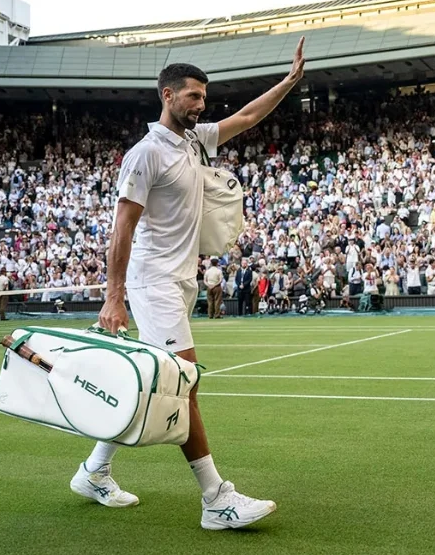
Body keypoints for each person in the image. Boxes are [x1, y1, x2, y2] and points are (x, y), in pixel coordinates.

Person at [82, 39, 304, 529]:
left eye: (204, 98)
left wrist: (287, 84)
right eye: (194, 97)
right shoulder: (144, 155)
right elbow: (123, 227)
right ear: (167, 95)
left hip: (182, 280)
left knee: (152, 384)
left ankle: (94, 470)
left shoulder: (194, 141)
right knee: (186, 384)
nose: (202, 105)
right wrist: (113, 296)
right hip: (153, 280)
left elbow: (246, 118)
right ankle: (215, 499)